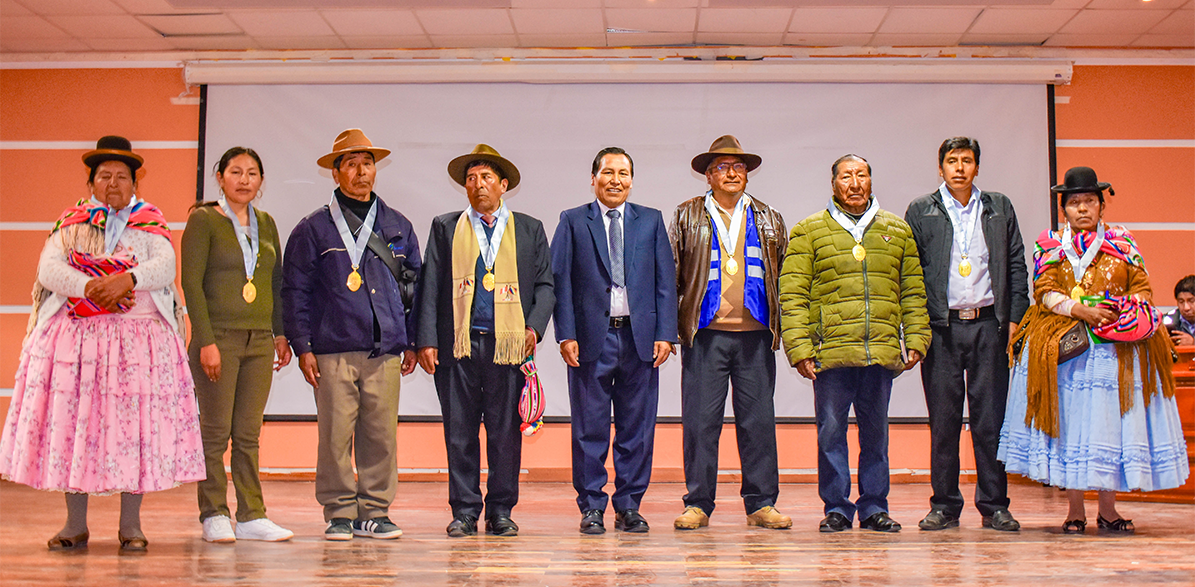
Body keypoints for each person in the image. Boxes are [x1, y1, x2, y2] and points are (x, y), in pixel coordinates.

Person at [0, 136, 204, 552]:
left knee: (133, 430)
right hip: (77, 347)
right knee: (77, 427)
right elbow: (48, 269)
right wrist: (92, 287)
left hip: (137, 349)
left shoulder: (150, 221)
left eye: (122, 176)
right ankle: (75, 525)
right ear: (91, 182)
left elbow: (165, 266)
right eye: (105, 176)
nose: (113, 183)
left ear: (135, 183)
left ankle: (131, 526)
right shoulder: (71, 223)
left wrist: (127, 280)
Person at [999, 166, 1189, 534]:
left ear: (1102, 205)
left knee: (1109, 429)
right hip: (1065, 352)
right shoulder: (1050, 244)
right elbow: (1044, 290)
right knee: (1069, 429)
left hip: (1114, 352)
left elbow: (1142, 288)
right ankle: (1074, 510)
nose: (1083, 208)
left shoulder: (1123, 243)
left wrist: (1124, 311)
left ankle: (1108, 510)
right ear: (1063, 210)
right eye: (1075, 203)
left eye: (1089, 201)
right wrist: (1080, 310)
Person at [282, 129, 422, 541]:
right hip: (332, 350)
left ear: (375, 170)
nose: (361, 172)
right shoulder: (313, 229)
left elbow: (415, 286)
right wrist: (302, 346)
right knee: (335, 436)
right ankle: (340, 512)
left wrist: (412, 341)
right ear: (336, 173)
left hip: (385, 351)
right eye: (351, 164)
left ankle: (374, 511)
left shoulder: (398, 225)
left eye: (367, 164)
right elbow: (295, 291)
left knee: (381, 436)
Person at [780, 154, 930, 533]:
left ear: (870, 180)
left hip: (880, 351)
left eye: (861, 175)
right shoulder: (809, 230)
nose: (854, 183)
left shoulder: (897, 230)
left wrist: (916, 336)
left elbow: (912, 290)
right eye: (846, 176)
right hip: (830, 353)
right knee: (831, 434)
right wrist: (799, 348)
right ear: (833, 184)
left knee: (876, 436)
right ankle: (837, 508)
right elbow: (793, 294)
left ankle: (875, 507)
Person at [416, 144, 555, 537]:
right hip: (458, 346)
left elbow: (545, 286)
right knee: (459, 433)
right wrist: (426, 339)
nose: (478, 185)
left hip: (506, 348)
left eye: (487, 178)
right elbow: (430, 285)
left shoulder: (529, 229)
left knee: (504, 434)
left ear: (504, 185)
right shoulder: (446, 227)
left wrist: (533, 328)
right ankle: (464, 511)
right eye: (471, 178)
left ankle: (500, 511)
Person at [903, 137, 1029, 532]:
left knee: (990, 422)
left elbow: (1016, 263)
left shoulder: (998, 207)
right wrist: (916, 327)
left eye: (967, 160)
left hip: (989, 326)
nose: (959, 168)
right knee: (944, 424)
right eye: (952, 161)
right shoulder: (921, 210)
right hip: (941, 329)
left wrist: (1015, 318)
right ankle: (944, 505)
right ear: (940, 167)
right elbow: (910, 271)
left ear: (977, 167)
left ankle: (994, 506)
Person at [551, 147, 678, 534]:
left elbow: (665, 283)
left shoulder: (651, 220)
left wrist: (665, 334)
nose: (615, 180)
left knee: (636, 430)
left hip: (640, 341)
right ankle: (591, 506)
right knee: (588, 429)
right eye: (608, 172)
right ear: (593, 179)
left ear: (632, 181)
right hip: (592, 340)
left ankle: (629, 505)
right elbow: (560, 282)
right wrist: (565, 333)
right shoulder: (573, 220)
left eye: (623, 173)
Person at [668, 135, 791, 531]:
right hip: (705, 335)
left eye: (739, 167)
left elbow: (784, 277)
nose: (732, 173)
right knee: (700, 424)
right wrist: (670, 330)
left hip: (756, 335)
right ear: (708, 176)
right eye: (722, 167)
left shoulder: (769, 218)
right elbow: (671, 275)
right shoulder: (687, 215)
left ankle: (761, 503)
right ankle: (698, 504)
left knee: (758, 423)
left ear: (748, 175)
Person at [182, 147, 295, 543]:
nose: (244, 180)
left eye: (251, 173)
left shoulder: (266, 223)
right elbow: (191, 284)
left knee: (248, 434)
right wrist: (206, 341)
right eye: (235, 172)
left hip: (259, 341)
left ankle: (251, 515)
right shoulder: (204, 220)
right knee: (215, 433)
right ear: (220, 177)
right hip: (219, 340)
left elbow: (276, 283)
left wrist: (280, 333)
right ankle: (213, 512)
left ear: (261, 180)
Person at [1164, 275, 1195, 345]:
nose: (1186, 308)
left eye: (1191, 301)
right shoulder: (1166, 322)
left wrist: (1193, 343)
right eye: (1181, 302)